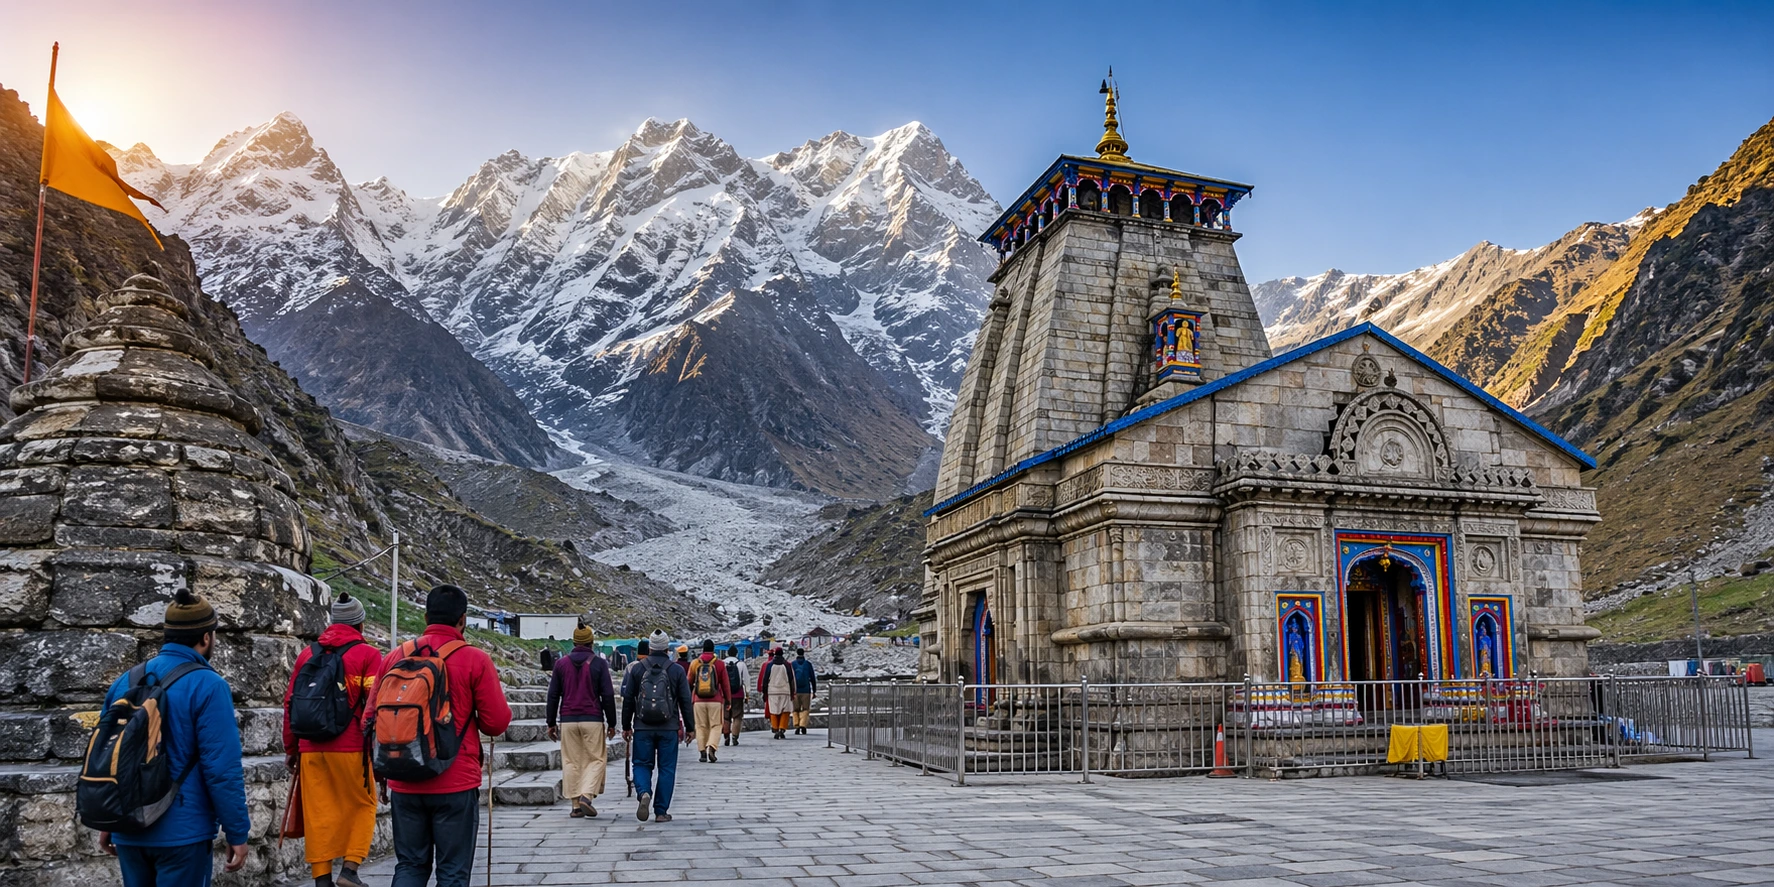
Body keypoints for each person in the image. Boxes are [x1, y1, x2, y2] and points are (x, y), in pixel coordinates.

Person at [99, 589, 250, 887]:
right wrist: (237, 833)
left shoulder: (126, 681)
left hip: (129, 825)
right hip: (183, 832)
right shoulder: (209, 685)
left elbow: (107, 756)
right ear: (206, 638)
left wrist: (108, 821)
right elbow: (221, 769)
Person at [382, 585, 513, 887]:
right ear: (462, 620)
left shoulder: (395, 658)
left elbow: (371, 717)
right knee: (453, 871)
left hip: (404, 776)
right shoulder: (474, 659)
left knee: (410, 865)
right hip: (455, 781)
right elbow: (496, 723)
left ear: (426, 616)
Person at [281, 593, 383, 887]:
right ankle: (349, 870)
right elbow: (372, 703)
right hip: (350, 746)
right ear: (359, 625)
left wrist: (291, 747)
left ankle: (321, 879)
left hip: (309, 748)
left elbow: (290, 703)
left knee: (319, 813)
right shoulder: (367, 654)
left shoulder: (307, 654)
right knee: (363, 805)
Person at [621, 630, 694, 823]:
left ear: (651, 647)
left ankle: (644, 792)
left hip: (643, 726)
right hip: (668, 726)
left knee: (642, 764)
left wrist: (626, 725)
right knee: (667, 768)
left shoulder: (637, 669)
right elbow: (685, 700)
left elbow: (628, 699)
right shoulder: (676, 670)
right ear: (667, 648)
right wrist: (690, 727)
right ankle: (661, 811)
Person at [546, 626, 616, 818]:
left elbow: (553, 695)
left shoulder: (561, 664)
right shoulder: (599, 664)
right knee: (596, 759)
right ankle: (587, 795)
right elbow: (607, 695)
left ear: (574, 642)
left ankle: (576, 805)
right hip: (592, 718)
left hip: (568, 720)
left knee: (571, 761)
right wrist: (612, 723)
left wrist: (550, 722)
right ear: (591, 642)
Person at [686, 640, 732, 763]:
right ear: (713, 649)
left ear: (702, 649)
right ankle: (712, 746)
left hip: (698, 700)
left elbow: (688, 683)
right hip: (715, 700)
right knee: (716, 725)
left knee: (700, 726)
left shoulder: (695, 663)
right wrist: (728, 700)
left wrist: (690, 698)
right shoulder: (720, 664)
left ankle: (702, 751)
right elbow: (725, 684)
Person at [758, 647, 794, 739]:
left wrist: (764, 692)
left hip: (772, 691)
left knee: (774, 711)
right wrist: (792, 692)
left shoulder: (770, 665)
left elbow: (765, 680)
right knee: (785, 711)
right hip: (785, 691)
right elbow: (791, 679)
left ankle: (775, 728)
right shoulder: (787, 665)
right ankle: (782, 728)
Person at [722, 648, 748, 746]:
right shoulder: (741, 664)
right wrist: (747, 694)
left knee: (725, 717)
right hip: (738, 694)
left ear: (727, 653)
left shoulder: (722, 664)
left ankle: (726, 736)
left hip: (724, 695)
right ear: (736, 653)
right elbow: (746, 680)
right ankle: (735, 736)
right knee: (737, 716)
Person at [791, 648, 818, 735]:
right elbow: (813, 678)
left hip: (795, 690)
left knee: (795, 709)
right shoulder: (808, 664)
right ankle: (803, 725)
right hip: (806, 690)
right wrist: (814, 691)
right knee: (805, 709)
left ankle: (796, 725)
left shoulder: (793, 664)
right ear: (804, 653)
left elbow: (790, 678)